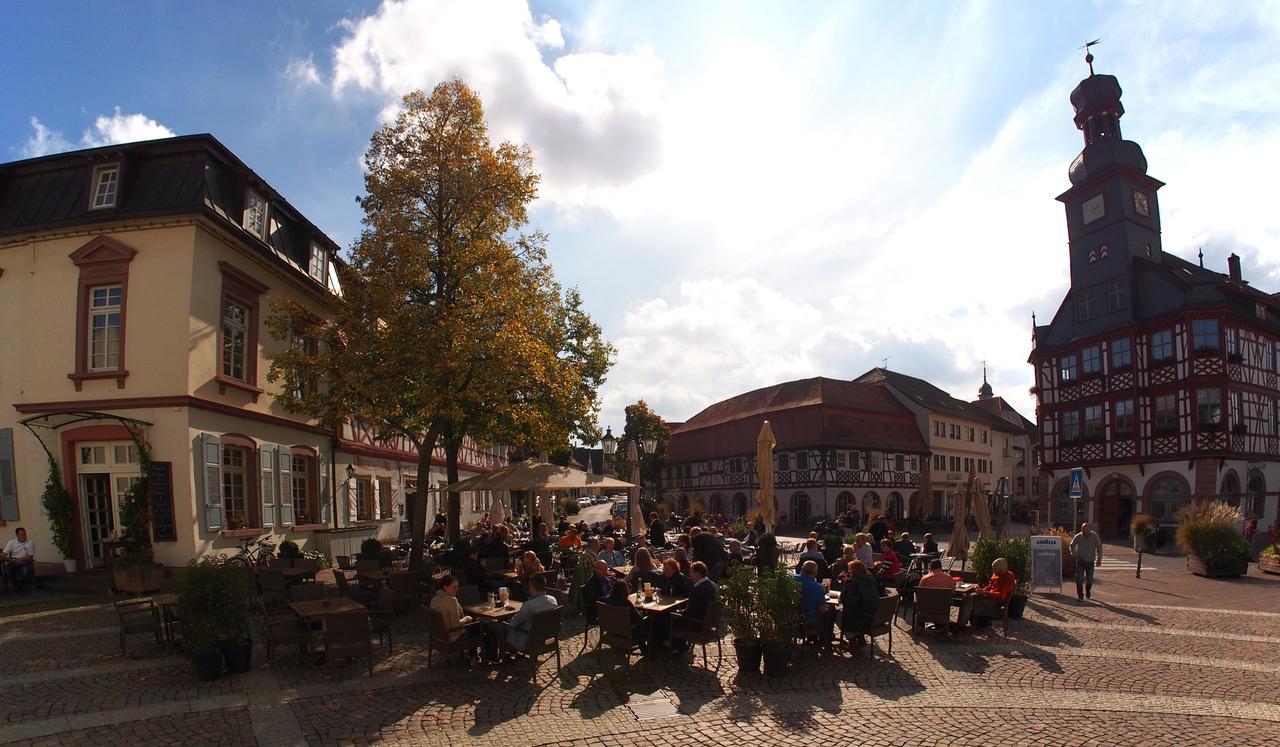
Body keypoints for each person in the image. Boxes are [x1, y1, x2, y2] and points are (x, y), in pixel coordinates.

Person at [492, 573, 559, 659]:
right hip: (544, 637)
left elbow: (513, 624)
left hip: (528, 640)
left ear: (532, 588)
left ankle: (503, 656)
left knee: (498, 627)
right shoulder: (553, 600)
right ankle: (512, 654)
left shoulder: (529, 605)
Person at [671, 561, 716, 655]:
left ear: (698, 573)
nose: (689, 574)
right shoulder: (712, 585)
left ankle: (679, 648)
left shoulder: (697, 589)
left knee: (672, 619)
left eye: (691, 572)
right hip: (709, 623)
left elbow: (689, 612)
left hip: (698, 624)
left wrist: (679, 612)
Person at [793, 560, 836, 647]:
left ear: (802, 569)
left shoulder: (790, 578)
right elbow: (822, 609)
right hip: (808, 620)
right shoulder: (817, 587)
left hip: (791, 617)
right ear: (816, 573)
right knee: (831, 611)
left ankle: (813, 638)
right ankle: (825, 639)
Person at [838, 560, 879, 647]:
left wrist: (846, 585)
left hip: (859, 618)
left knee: (836, 614)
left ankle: (851, 637)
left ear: (852, 571)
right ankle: (860, 636)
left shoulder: (853, 583)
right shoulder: (871, 580)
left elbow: (847, 602)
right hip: (872, 615)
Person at [429, 574, 477, 646]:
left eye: (457, 586)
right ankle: (484, 655)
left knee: (475, 625)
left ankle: (473, 655)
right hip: (451, 636)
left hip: (438, 635)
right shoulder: (451, 600)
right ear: (445, 587)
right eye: (454, 587)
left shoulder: (434, 599)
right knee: (480, 627)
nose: (456, 589)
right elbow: (455, 625)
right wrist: (466, 619)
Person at [604, 580, 649, 653]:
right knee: (645, 621)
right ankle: (644, 647)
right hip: (627, 630)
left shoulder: (607, 600)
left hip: (612, 628)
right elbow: (639, 617)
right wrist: (642, 613)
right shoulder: (626, 603)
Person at [1069, 522, 1103, 601]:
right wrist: (1074, 554)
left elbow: (1099, 547)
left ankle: (1088, 590)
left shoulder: (1094, 536)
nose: (1085, 531)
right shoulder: (1078, 536)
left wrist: (1099, 559)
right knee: (1079, 579)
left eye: (1087, 529)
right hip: (1080, 561)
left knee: (1090, 580)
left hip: (1090, 561)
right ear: (1082, 529)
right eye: (1084, 529)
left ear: (1090, 529)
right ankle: (1080, 595)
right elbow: (1071, 545)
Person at [3, 527, 36, 592]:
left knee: (24, 573)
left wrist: (20, 559)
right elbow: (5, 553)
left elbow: (30, 556)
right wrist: (2, 556)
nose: (24, 536)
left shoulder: (30, 543)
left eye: (25, 534)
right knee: (7, 571)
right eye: (22, 535)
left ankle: (20, 585)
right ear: (17, 535)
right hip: (14, 561)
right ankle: (17, 584)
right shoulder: (11, 542)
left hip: (25, 562)